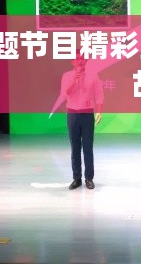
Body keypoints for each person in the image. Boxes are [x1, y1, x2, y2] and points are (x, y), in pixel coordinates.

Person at [51, 51, 104, 190]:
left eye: (82, 58)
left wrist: (99, 111)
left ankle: (89, 178)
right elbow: (64, 94)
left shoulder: (93, 76)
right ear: (72, 61)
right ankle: (76, 178)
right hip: (73, 115)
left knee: (88, 148)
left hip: (87, 115)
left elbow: (99, 95)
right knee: (75, 148)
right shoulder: (67, 76)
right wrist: (74, 81)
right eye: (77, 59)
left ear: (86, 61)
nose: (80, 61)